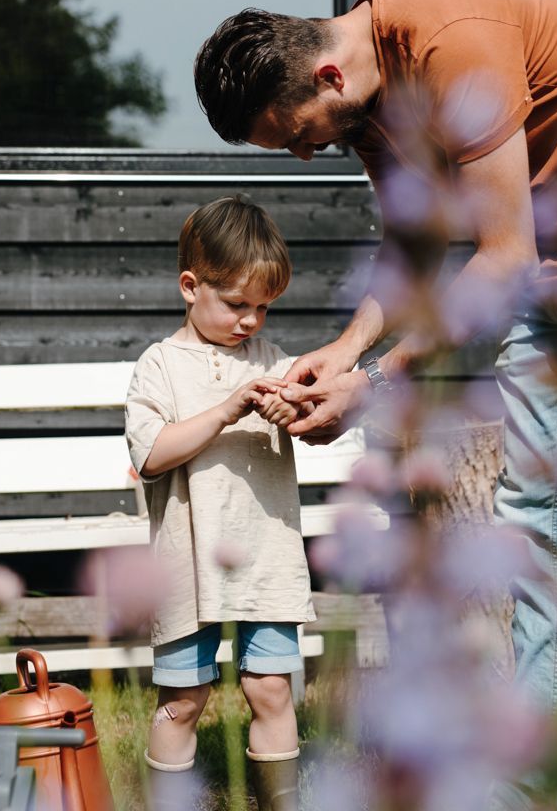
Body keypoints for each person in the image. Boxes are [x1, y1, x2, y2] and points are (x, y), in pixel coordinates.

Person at [193, 0, 557, 808]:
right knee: (527, 521)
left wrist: (374, 381)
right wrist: (345, 350)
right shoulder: (365, 105)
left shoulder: (452, 41)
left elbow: (500, 256)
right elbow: (413, 242)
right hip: (544, 274)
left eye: (297, 136)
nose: (304, 154)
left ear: (327, 75)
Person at [124, 195, 315, 811]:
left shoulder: (276, 363)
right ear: (190, 287)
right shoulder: (160, 365)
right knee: (183, 700)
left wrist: (296, 406)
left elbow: (317, 412)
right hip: (188, 565)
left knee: (271, 691)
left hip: (266, 558)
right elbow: (152, 455)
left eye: (264, 307)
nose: (251, 321)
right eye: (236, 304)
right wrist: (228, 409)